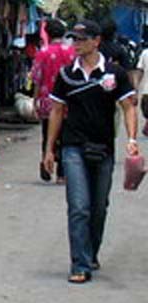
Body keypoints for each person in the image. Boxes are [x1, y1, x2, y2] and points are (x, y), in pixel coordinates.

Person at [42, 19, 140, 284]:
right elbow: (57, 111)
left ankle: (91, 252)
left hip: (104, 148)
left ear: (96, 41)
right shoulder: (66, 75)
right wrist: (49, 150)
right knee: (79, 206)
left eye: (82, 39)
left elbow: (129, 106)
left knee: (99, 207)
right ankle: (80, 264)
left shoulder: (114, 74)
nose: (76, 44)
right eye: (74, 39)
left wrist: (132, 138)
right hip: (73, 147)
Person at [31, 19, 75, 182]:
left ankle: (46, 163)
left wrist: (35, 100)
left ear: (47, 34)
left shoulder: (42, 52)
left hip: (47, 100)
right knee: (65, 136)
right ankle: (62, 174)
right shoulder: (72, 52)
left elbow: (37, 78)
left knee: (47, 134)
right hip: (68, 100)